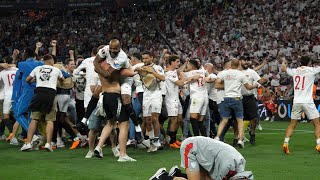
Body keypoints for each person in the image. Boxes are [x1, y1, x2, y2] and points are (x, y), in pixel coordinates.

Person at [93, 39, 136, 162]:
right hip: (114, 95)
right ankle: (122, 155)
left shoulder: (104, 62)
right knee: (124, 124)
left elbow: (96, 64)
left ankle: (99, 146)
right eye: (111, 49)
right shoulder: (120, 59)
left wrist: (101, 70)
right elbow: (110, 74)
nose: (112, 51)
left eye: (115, 49)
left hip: (104, 96)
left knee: (110, 123)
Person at [150, 137, 254, 180]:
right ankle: (163, 177)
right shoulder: (227, 167)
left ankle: (177, 174)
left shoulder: (237, 166)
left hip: (205, 153)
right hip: (192, 148)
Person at [21, 54, 64, 152]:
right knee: (50, 120)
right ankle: (48, 144)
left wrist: (35, 80)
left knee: (34, 119)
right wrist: (57, 82)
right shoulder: (56, 70)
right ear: (51, 61)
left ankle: (28, 143)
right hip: (51, 94)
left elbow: (27, 80)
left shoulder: (37, 68)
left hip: (39, 93)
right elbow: (62, 80)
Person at [215, 58, 259, 148]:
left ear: (230, 64)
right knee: (240, 120)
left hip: (226, 98)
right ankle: (240, 140)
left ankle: (217, 136)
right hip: (236, 99)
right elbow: (249, 87)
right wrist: (255, 85)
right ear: (239, 65)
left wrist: (227, 86)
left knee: (224, 120)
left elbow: (217, 84)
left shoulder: (225, 73)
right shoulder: (241, 74)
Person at [281, 56, 320, 154]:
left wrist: (283, 61)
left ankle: (286, 143)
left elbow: (283, 69)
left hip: (297, 101)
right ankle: (318, 144)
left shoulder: (295, 71)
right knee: (317, 123)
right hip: (308, 101)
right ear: (309, 62)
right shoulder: (312, 70)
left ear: (300, 62)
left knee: (292, 124)